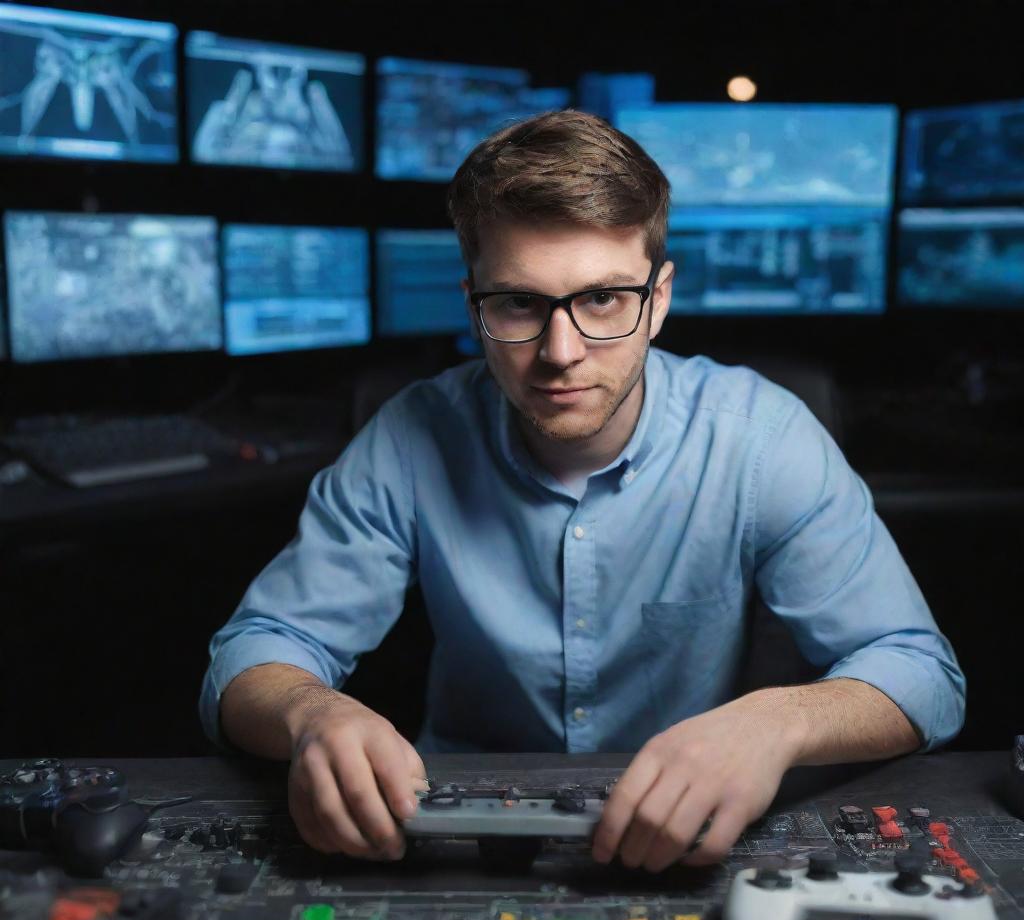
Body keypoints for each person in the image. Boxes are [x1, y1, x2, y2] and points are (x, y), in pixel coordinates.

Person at [200, 110, 965, 874]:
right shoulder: (411, 437)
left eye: (602, 299)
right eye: (519, 304)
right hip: (454, 830)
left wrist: (777, 723)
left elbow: (920, 672)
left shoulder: (763, 438)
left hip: (679, 829)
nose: (560, 353)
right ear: (474, 305)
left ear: (658, 300)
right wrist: (313, 713)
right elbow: (254, 655)